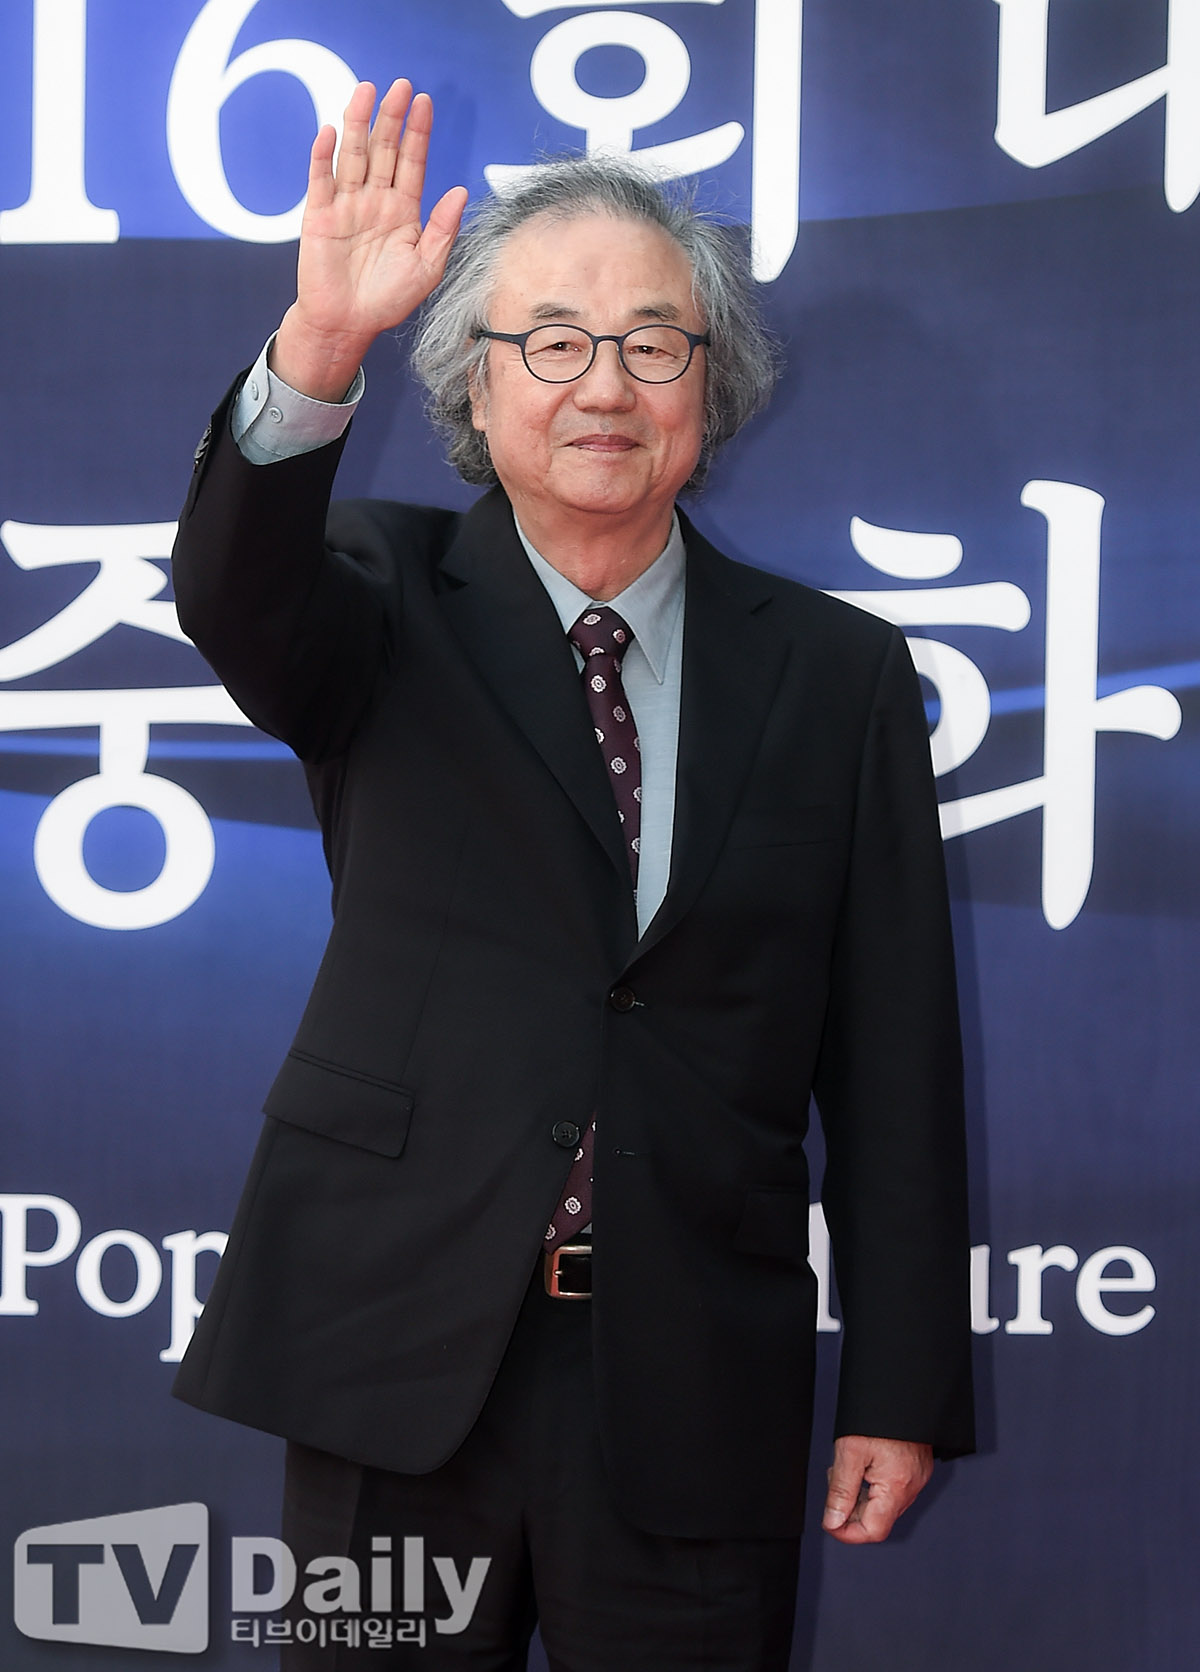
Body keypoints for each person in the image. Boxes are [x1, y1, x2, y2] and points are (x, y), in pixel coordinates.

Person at [172, 78, 974, 1671]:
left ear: (711, 387)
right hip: (394, 1350)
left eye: (652, 343)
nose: (604, 383)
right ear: (476, 385)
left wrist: (900, 1384)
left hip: (691, 1372)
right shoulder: (376, 591)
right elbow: (229, 589)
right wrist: (321, 343)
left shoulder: (839, 674)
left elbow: (894, 1058)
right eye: (550, 340)